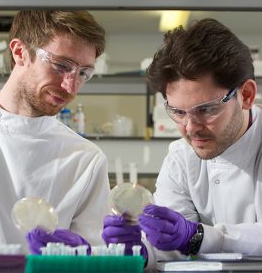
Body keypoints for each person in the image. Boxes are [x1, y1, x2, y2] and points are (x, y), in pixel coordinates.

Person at [102, 18, 262, 267]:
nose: (190, 128)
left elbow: (195, 239)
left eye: (206, 109)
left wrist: (201, 236)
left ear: (247, 96)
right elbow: (173, 245)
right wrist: (142, 252)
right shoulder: (181, 157)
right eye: (178, 112)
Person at [0, 10, 110, 254]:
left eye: (83, 73)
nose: (70, 87)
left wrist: (82, 254)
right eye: (61, 65)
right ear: (20, 52)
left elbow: (94, 255)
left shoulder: (85, 159)